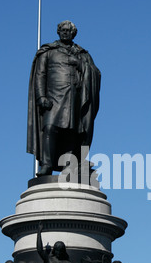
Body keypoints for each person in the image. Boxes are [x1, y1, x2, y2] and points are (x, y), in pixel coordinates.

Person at [27, 20, 101, 176]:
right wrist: (41, 96)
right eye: (62, 30)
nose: (65, 32)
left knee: (71, 131)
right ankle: (46, 165)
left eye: (68, 30)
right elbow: (40, 75)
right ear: (58, 32)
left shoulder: (82, 54)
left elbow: (95, 73)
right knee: (49, 128)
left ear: (73, 33)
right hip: (53, 99)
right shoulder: (48, 51)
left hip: (74, 99)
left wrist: (80, 64)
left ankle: (69, 165)